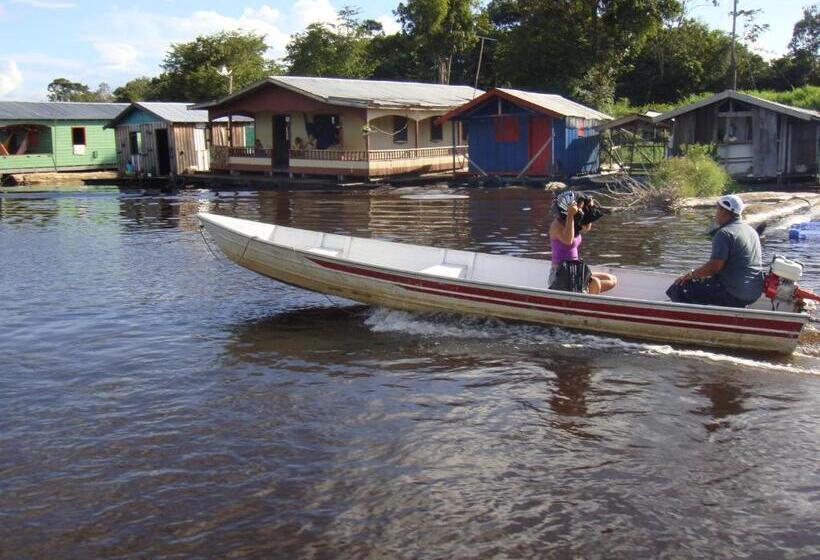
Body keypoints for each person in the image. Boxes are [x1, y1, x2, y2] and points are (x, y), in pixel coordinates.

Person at [666, 194, 763, 307]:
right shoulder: (751, 231)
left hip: (733, 294)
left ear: (724, 211)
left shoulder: (724, 233)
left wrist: (690, 275)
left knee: (680, 287)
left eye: (717, 209)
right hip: (753, 293)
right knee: (706, 283)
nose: (715, 213)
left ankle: (694, 320)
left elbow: (714, 267)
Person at [549, 191, 617, 294]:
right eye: (579, 207)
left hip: (576, 270)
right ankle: (586, 304)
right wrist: (570, 216)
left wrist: (589, 208)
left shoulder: (573, 223)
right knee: (595, 282)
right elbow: (568, 240)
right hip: (561, 273)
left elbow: (586, 228)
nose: (580, 210)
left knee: (611, 279)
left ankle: (583, 294)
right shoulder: (556, 225)